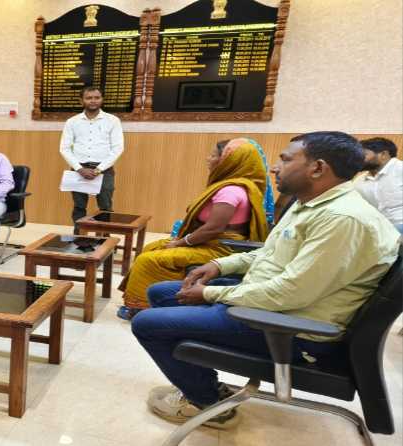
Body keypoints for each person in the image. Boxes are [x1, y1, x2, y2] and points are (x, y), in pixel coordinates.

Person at [131, 131, 400, 429]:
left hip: (291, 329)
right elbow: (269, 254)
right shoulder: (310, 204)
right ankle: (199, 381)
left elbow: (291, 293)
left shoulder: (343, 219)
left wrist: (209, 294)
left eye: (286, 159)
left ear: (317, 168)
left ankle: (207, 402)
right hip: (272, 304)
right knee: (161, 293)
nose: (274, 167)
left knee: (147, 324)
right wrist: (219, 266)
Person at [117, 139, 270, 320]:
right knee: (152, 247)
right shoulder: (233, 185)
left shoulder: (230, 190)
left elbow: (213, 229)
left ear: (228, 161)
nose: (208, 159)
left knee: (148, 259)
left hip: (221, 248)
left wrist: (181, 242)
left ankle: (141, 307)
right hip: (211, 242)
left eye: (213, 155)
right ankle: (145, 299)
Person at [59, 86, 124, 228]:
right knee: (79, 207)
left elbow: (117, 148)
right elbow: (64, 148)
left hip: (104, 170)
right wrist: (79, 169)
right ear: (81, 101)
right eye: (89, 98)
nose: (93, 101)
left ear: (102, 99)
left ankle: (104, 239)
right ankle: (79, 237)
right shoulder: (72, 122)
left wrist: (99, 169)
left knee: (105, 207)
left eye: (97, 97)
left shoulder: (113, 120)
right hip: (79, 169)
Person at [355, 137, 402, 232]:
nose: (358, 160)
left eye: (364, 155)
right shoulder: (359, 181)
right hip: (381, 229)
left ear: (383, 154)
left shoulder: (400, 169)